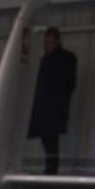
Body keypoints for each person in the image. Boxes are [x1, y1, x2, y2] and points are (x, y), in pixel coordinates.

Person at [28, 27, 77, 175]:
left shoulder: (56, 60)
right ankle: (51, 168)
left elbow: (67, 84)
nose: (47, 45)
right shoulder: (63, 59)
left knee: (50, 139)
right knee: (49, 139)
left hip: (50, 106)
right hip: (51, 106)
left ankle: (51, 168)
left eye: (49, 42)